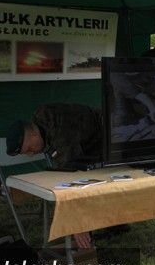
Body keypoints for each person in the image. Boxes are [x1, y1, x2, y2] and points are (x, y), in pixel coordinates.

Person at [6, 103, 104, 250]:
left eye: (29, 148)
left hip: (113, 134)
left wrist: (77, 223)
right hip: (97, 144)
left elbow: (72, 181)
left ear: (34, 134)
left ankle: (99, 228)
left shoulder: (60, 132)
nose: (31, 154)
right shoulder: (43, 121)